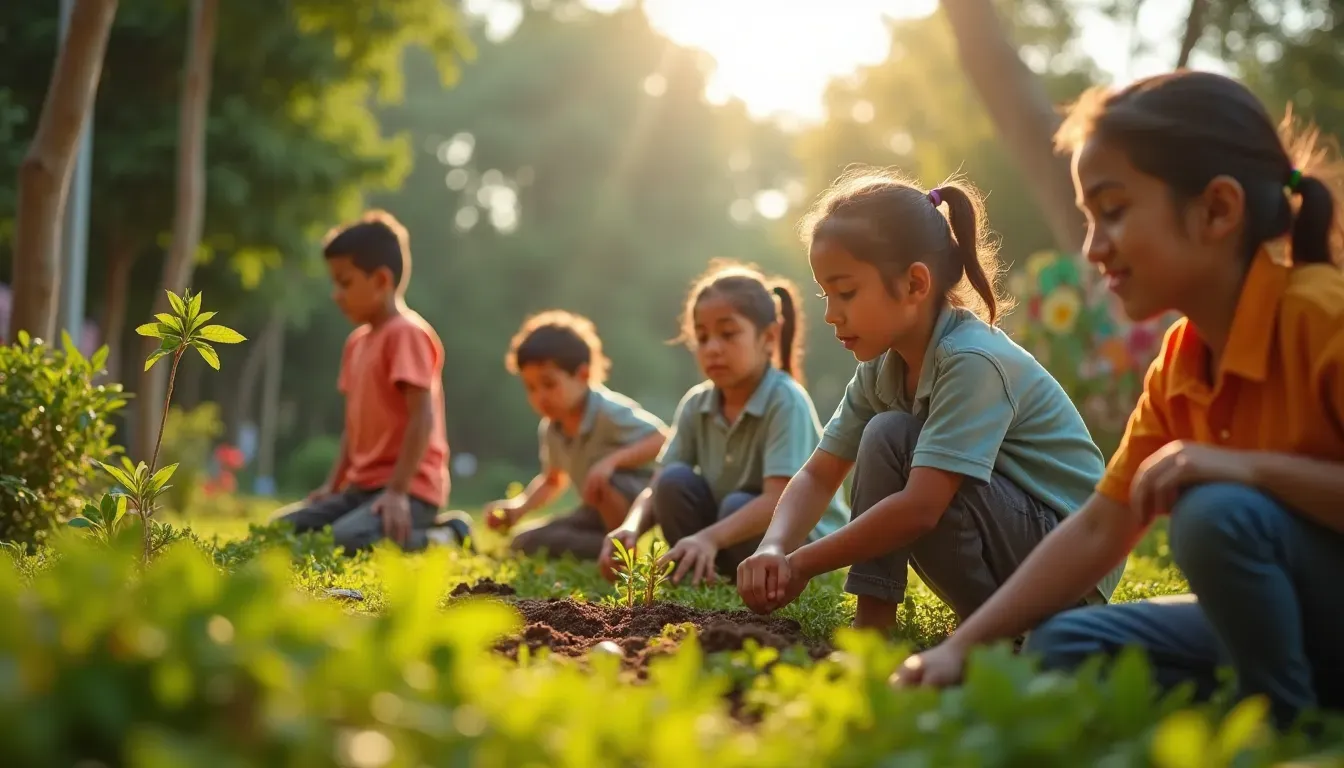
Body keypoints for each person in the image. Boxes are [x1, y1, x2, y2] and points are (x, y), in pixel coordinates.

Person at [895, 70, 1344, 729]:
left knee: (1215, 513)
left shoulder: (1320, 317)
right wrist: (960, 649)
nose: (1093, 246)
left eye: (1114, 210)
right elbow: (1103, 526)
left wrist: (1244, 469)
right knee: (1067, 644)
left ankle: (1282, 725)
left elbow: (1229, 501)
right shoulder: (1181, 360)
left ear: (1217, 210)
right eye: (1087, 218)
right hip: (1301, 616)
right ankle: (1268, 692)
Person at [736, 170, 1122, 632]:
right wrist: (774, 546)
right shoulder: (882, 367)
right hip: (1017, 542)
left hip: (1070, 567)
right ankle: (874, 625)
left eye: (847, 292)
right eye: (825, 293)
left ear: (916, 284)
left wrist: (801, 564)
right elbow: (820, 473)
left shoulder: (973, 361)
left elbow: (921, 509)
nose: (830, 313)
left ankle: (997, 628)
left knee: (899, 448)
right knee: (888, 434)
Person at [599, 261, 850, 586]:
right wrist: (630, 527)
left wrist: (709, 538)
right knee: (673, 481)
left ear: (769, 336)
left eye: (728, 334)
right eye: (702, 338)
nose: (713, 348)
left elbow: (777, 499)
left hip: (795, 543)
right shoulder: (696, 403)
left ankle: (726, 565)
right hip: (728, 534)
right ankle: (702, 571)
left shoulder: (786, 400)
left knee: (737, 504)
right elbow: (657, 484)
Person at [278, 210, 469, 554]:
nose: (336, 294)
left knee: (348, 539)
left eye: (345, 282)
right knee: (283, 529)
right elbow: (354, 427)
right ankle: (373, 517)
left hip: (410, 490)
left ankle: (446, 536)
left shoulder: (407, 334)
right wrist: (332, 486)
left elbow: (421, 417)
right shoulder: (357, 343)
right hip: (361, 489)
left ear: (381, 280)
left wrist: (397, 491)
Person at [487, 310, 668, 561]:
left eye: (549, 384)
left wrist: (610, 463)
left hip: (634, 504)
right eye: (531, 388)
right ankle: (603, 548)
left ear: (582, 376)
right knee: (524, 541)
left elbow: (660, 439)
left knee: (603, 476)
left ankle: (622, 545)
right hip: (593, 511)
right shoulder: (552, 427)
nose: (540, 397)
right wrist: (519, 508)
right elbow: (552, 480)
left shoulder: (608, 411)